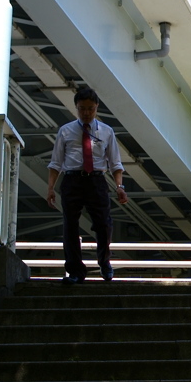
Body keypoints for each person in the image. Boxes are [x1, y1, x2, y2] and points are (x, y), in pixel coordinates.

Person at [46, 87, 129, 283]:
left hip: (96, 180)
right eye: (82, 108)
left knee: (103, 223)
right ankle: (75, 271)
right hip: (72, 180)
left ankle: (104, 261)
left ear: (97, 107)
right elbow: (56, 162)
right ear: (76, 107)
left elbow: (115, 163)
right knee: (70, 227)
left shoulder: (106, 131)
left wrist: (119, 187)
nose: (86, 113)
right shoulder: (65, 131)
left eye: (90, 109)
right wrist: (50, 188)